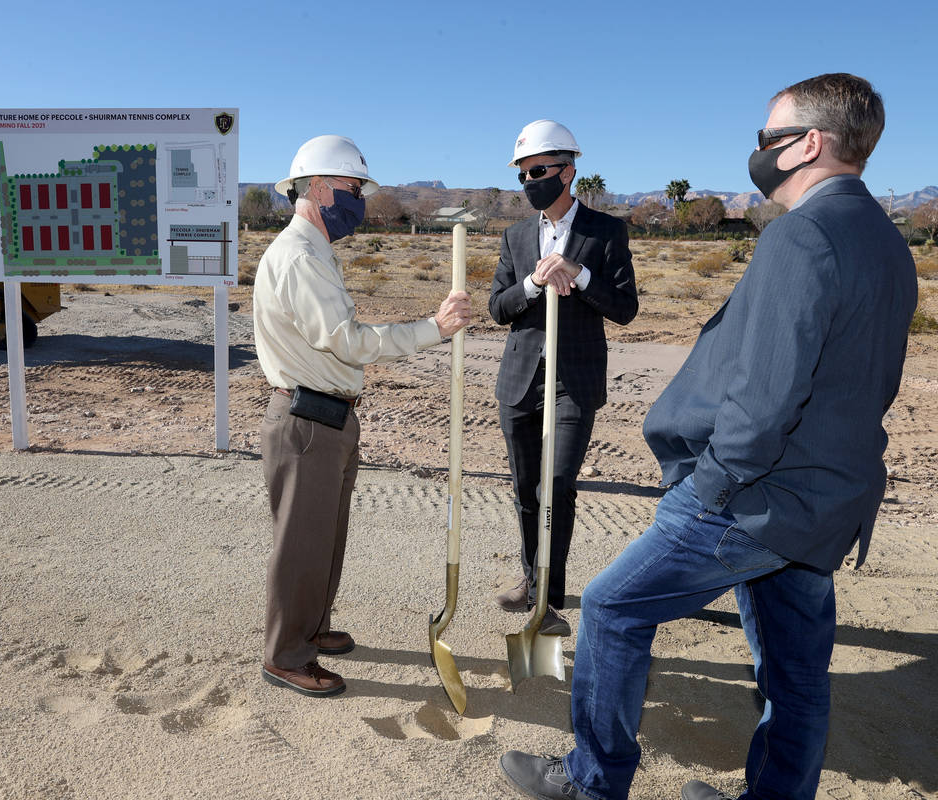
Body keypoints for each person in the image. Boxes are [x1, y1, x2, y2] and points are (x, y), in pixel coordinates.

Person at [498, 74, 917, 800]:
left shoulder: (804, 234)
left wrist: (713, 485)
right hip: (826, 493)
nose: (759, 151)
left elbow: (767, 393)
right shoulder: (885, 239)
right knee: (793, 669)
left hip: (754, 496)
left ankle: (591, 782)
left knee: (612, 607)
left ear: (809, 143)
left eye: (770, 137)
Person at [253, 135, 471, 698]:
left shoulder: (313, 250)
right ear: (319, 187)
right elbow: (346, 341)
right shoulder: (300, 255)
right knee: (302, 544)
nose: (360, 201)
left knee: (324, 536)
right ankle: (286, 654)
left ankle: (312, 627)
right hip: (307, 421)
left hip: (325, 417)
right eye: (353, 188)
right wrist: (434, 329)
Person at [487, 120, 638, 633]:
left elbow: (625, 309)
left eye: (540, 171)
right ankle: (532, 578)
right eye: (523, 174)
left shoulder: (606, 232)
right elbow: (497, 309)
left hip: (573, 380)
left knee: (557, 483)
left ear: (569, 171)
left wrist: (582, 275)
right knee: (526, 485)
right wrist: (532, 283)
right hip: (521, 381)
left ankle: (548, 599)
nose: (531, 181)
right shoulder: (515, 236)